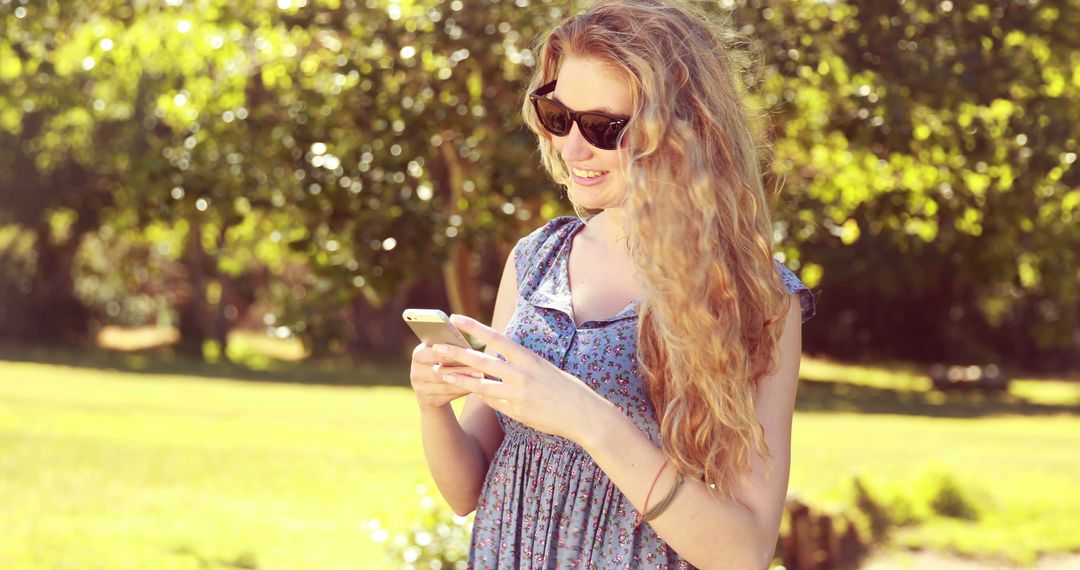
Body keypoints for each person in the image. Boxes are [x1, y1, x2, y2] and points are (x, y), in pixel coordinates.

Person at [409, 0, 816, 567]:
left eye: (603, 127)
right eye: (557, 116)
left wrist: (590, 421)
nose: (572, 148)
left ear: (681, 129)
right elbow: (466, 491)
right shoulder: (536, 261)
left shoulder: (754, 296)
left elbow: (743, 552)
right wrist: (434, 406)